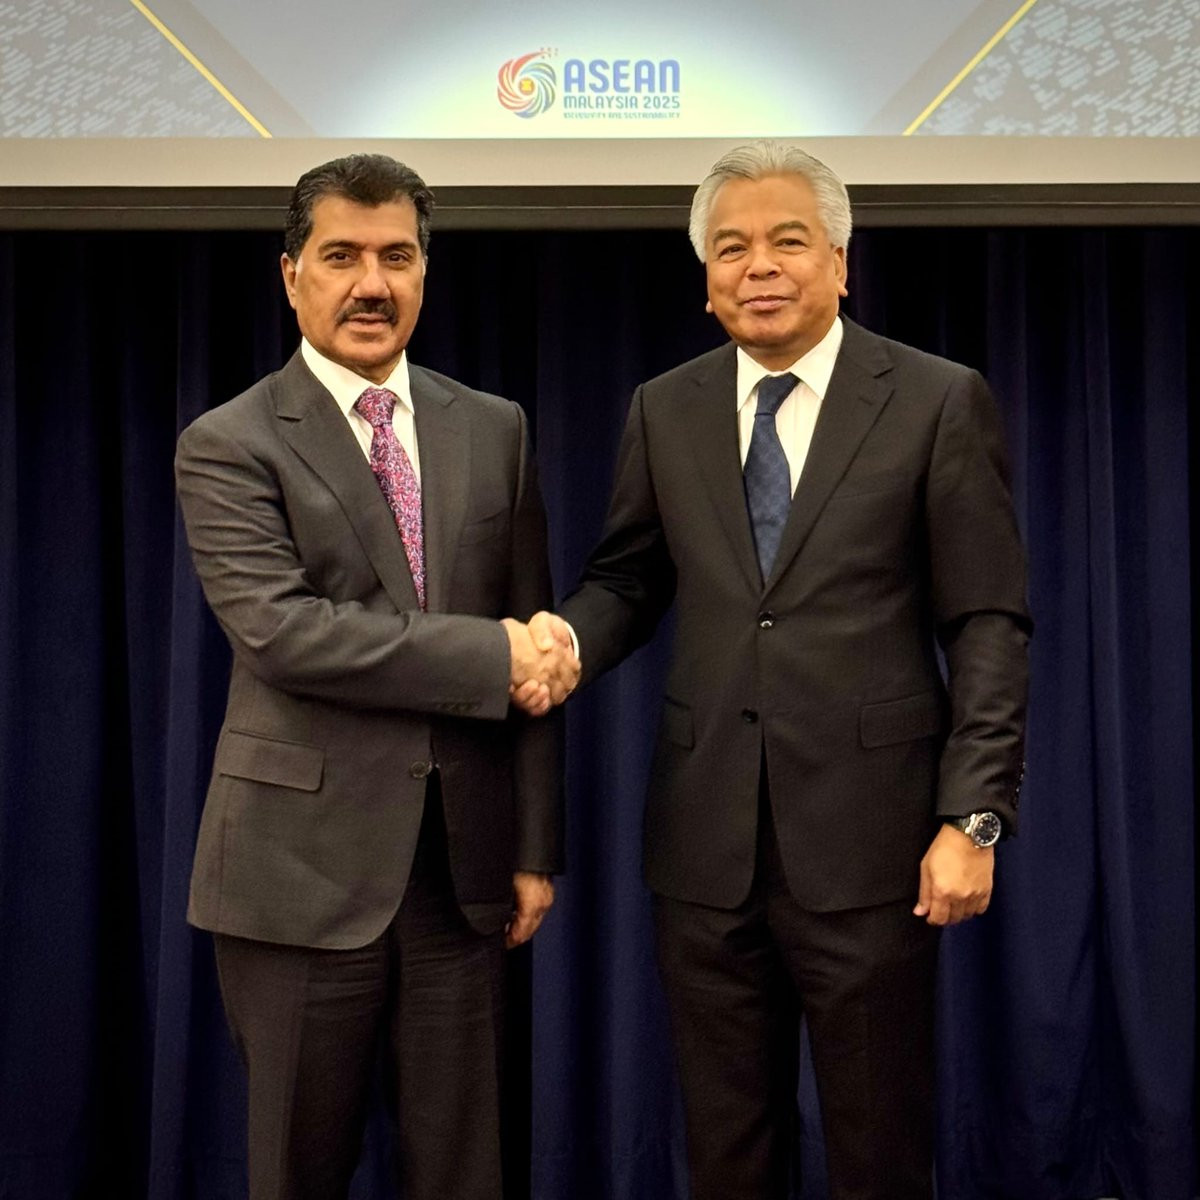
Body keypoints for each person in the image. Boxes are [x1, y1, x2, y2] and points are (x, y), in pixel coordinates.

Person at [532, 141, 1031, 1200]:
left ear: (841, 263)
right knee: (727, 1152)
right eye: (731, 247)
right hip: (704, 849)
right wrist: (565, 643)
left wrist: (975, 817)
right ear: (706, 278)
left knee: (877, 1152)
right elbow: (627, 579)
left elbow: (987, 621)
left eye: (787, 241)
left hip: (874, 846)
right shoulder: (664, 407)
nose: (758, 265)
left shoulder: (937, 399)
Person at [175, 153, 578, 1200]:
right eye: (341, 256)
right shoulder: (228, 442)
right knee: (296, 1173)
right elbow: (287, 635)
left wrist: (533, 845)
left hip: (462, 882)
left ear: (424, 272)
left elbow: (534, 646)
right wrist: (491, 653)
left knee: (466, 1174)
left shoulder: (494, 428)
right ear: (291, 275)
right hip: (294, 882)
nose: (372, 284)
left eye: (397, 257)